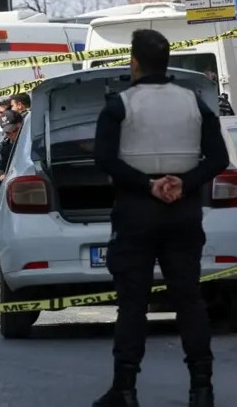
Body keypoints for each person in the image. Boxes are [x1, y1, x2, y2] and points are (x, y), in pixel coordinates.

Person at [92, 29, 229, 407]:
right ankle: (202, 389)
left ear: (134, 63)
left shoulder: (120, 105)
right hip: (183, 211)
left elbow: (104, 159)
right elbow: (219, 158)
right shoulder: (193, 103)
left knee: (132, 303)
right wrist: (184, 183)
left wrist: (148, 185)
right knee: (189, 301)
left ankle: (125, 389)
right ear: (167, 62)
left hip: (136, 211)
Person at [0, 109, 23, 181]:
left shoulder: (31, 142)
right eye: (7, 133)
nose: (11, 135)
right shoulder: (5, 147)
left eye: (14, 130)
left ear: (21, 125)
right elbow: (1, 171)